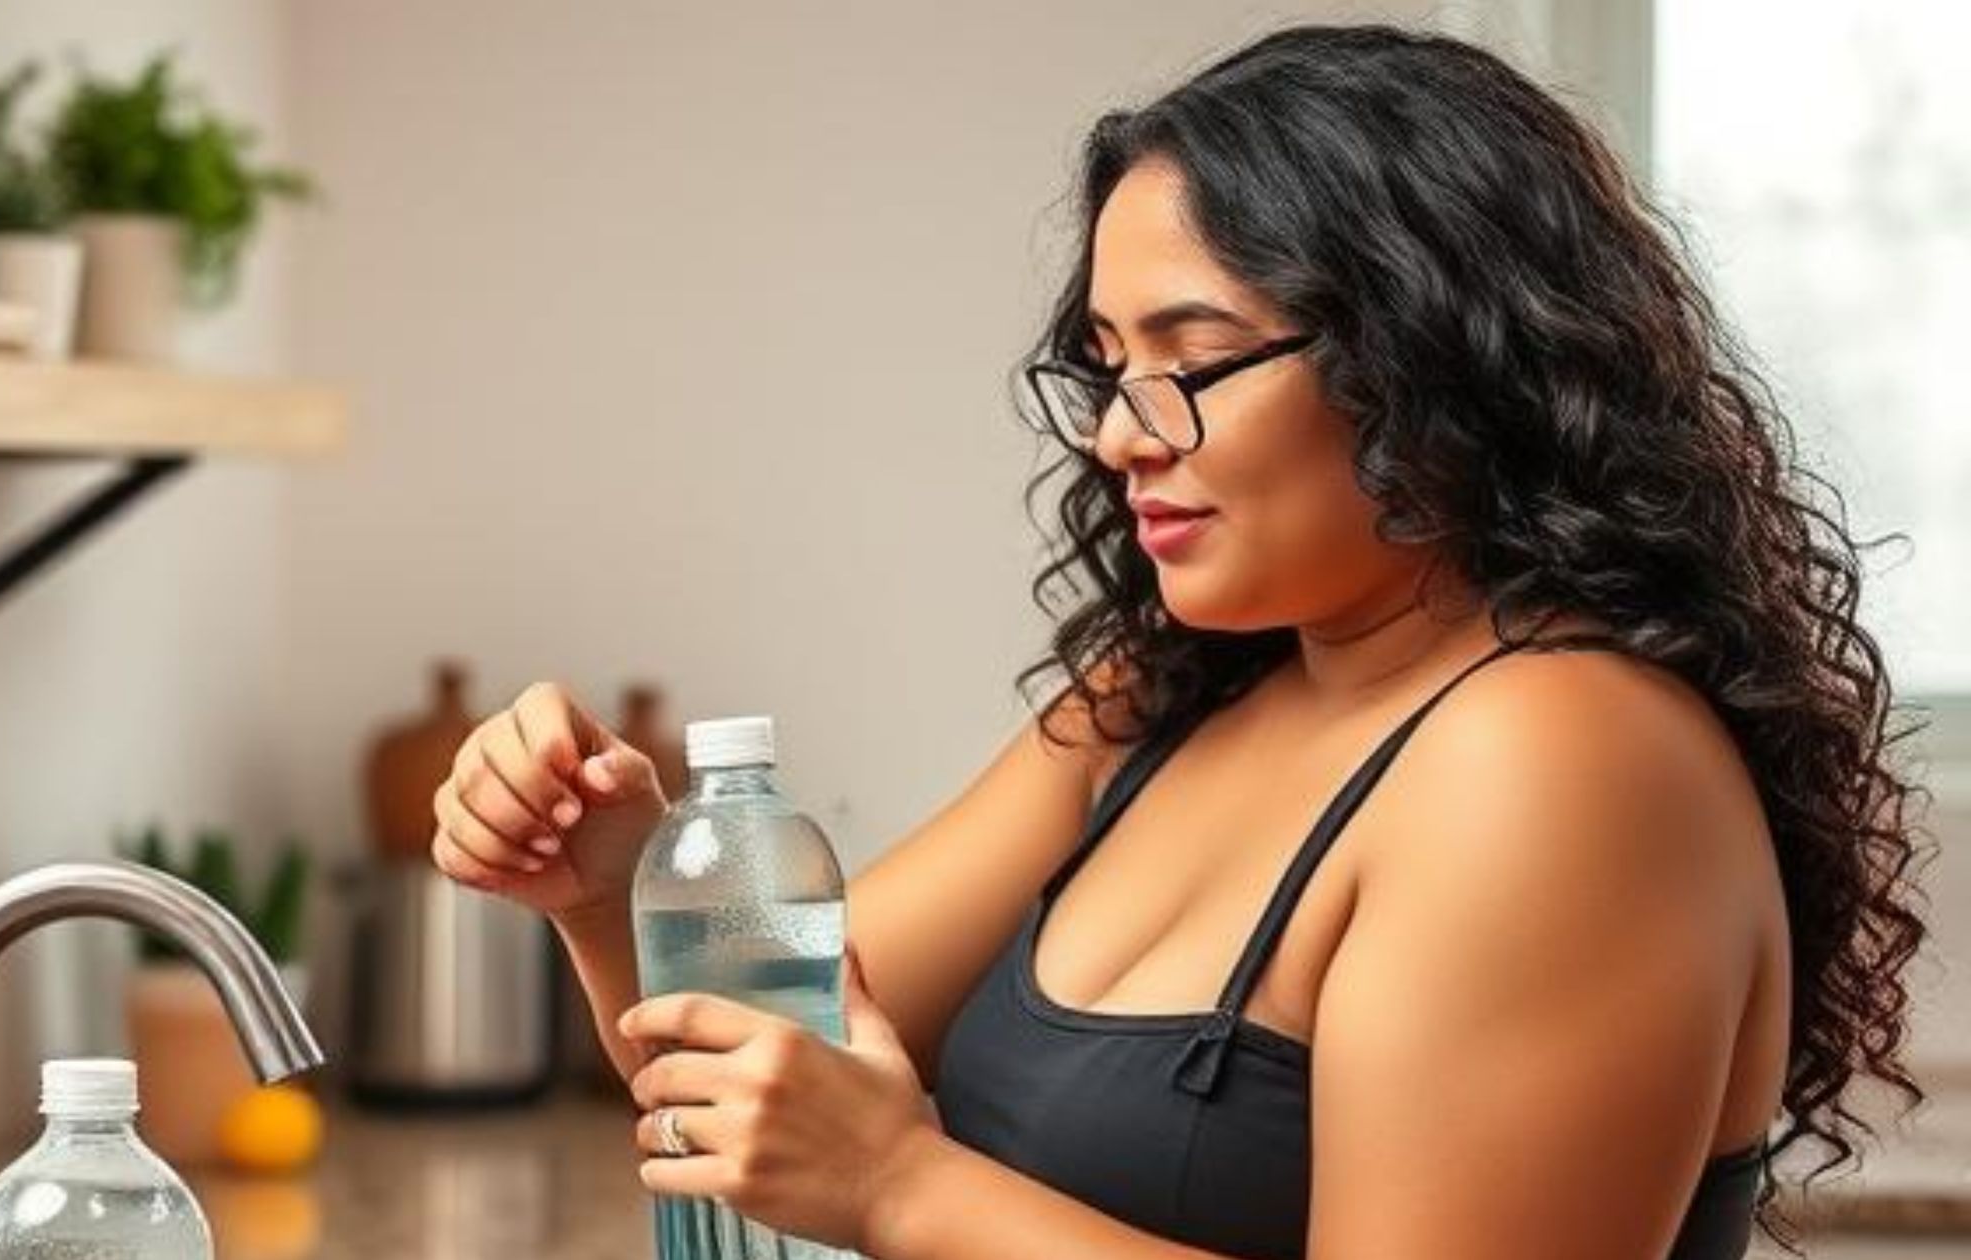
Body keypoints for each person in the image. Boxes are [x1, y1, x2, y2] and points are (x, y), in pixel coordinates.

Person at [430, 23, 1927, 1260]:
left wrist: (906, 1191)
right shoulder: (1154, 707)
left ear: (1435, 356)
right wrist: (622, 892)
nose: (1118, 439)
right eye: (1106, 366)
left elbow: (862, 1161)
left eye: (1195, 363)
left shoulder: (1561, 758)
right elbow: (778, 1086)